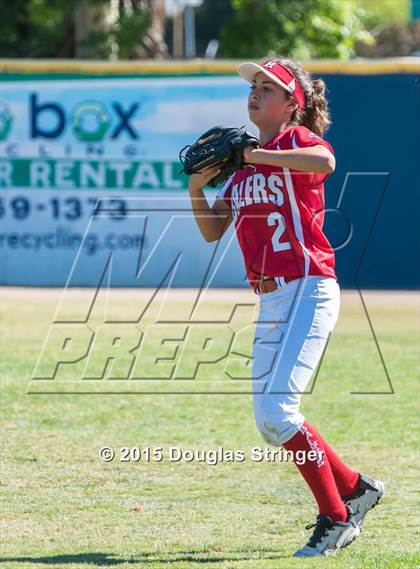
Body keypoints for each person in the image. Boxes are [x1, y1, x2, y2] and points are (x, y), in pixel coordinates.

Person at [187, 57, 384, 557]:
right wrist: (196, 188)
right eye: (253, 85)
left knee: (279, 411)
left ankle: (336, 518)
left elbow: (325, 162)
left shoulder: (293, 143)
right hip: (272, 297)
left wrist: (255, 158)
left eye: (267, 87)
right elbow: (213, 230)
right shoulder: (244, 161)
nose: (254, 93)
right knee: (270, 420)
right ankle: (357, 489)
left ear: (292, 102)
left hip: (308, 287)